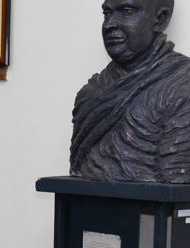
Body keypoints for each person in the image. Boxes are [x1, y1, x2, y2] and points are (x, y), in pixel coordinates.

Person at [70, 0, 190, 183]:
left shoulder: (183, 84)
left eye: (127, 11)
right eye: (107, 13)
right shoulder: (90, 94)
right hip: (87, 200)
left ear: (160, 19)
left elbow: (177, 178)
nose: (109, 24)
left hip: (151, 201)